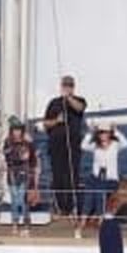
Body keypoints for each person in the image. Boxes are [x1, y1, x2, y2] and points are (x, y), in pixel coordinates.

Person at [43, 75, 87, 216]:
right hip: (56, 145)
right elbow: (46, 123)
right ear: (61, 86)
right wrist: (57, 121)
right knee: (58, 177)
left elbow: (80, 108)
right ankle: (61, 207)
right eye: (65, 85)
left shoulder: (79, 100)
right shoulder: (54, 103)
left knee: (72, 176)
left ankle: (70, 206)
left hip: (73, 146)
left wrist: (68, 98)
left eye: (70, 86)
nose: (67, 88)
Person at [77, 122, 127, 238]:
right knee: (89, 195)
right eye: (100, 132)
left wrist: (116, 130)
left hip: (110, 180)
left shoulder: (115, 145)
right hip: (96, 178)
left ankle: (100, 225)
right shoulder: (95, 145)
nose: (103, 135)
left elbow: (126, 143)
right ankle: (82, 224)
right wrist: (90, 132)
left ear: (109, 134)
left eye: (105, 132)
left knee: (99, 193)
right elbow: (83, 145)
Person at [3, 116, 38, 236]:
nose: (17, 132)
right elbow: (8, 157)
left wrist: (33, 177)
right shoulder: (8, 143)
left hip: (25, 174)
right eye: (15, 130)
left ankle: (26, 224)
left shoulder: (28, 143)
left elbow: (32, 159)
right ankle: (15, 223)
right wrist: (19, 155)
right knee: (14, 200)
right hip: (12, 174)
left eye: (19, 130)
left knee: (23, 200)